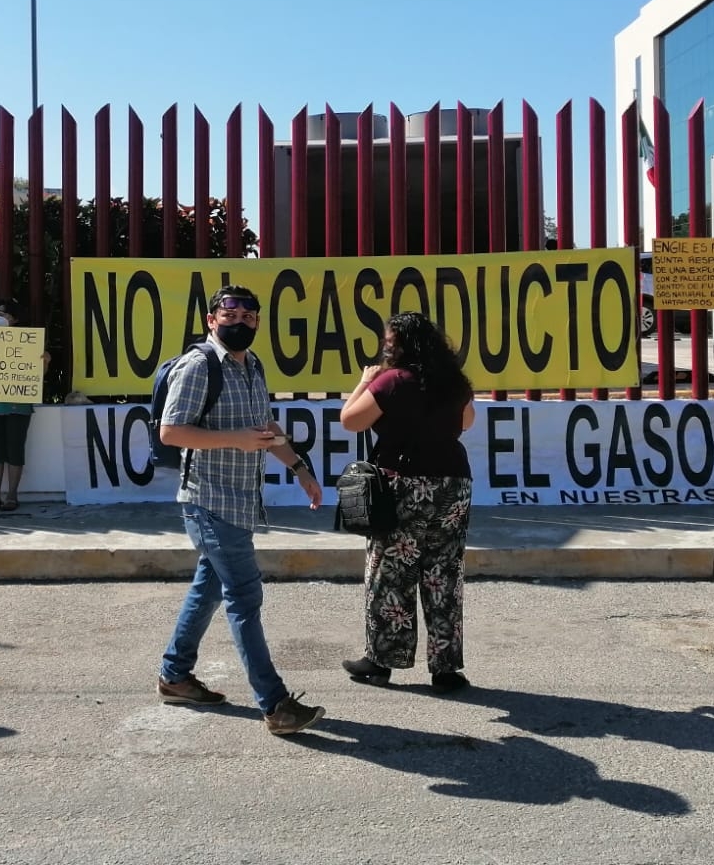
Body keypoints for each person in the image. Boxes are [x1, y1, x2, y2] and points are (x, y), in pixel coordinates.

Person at [155, 284, 327, 736]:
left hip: (238, 501)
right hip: (209, 501)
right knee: (245, 598)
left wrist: (299, 467)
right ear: (212, 319)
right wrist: (233, 439)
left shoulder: (252, 366)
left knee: (208, 587)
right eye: (229, 315)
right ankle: (275, 704)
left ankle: (174, 675)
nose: (240, 322)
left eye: (249, 317)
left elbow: (265, 427)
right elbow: (171, 431)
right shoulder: (198, 366)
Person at [337, 311, 476, 694]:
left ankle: (381, 661)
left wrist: (364, 383)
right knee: (444, 575)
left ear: (399, 345)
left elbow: (351, 420)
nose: (385, 346)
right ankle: (446, 669)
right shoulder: (454, 382)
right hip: (453, 484)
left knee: (390, 575)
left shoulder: (391, 381)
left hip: (404, 485)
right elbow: (467, 422)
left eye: (389, 340)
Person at [0, 298, 48, 512]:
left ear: (15, 319)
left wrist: (45, 362)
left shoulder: (28, 342)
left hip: (18, 404)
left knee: (15, 450)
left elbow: (37, 376)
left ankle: (12, 495)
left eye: (5, 314)